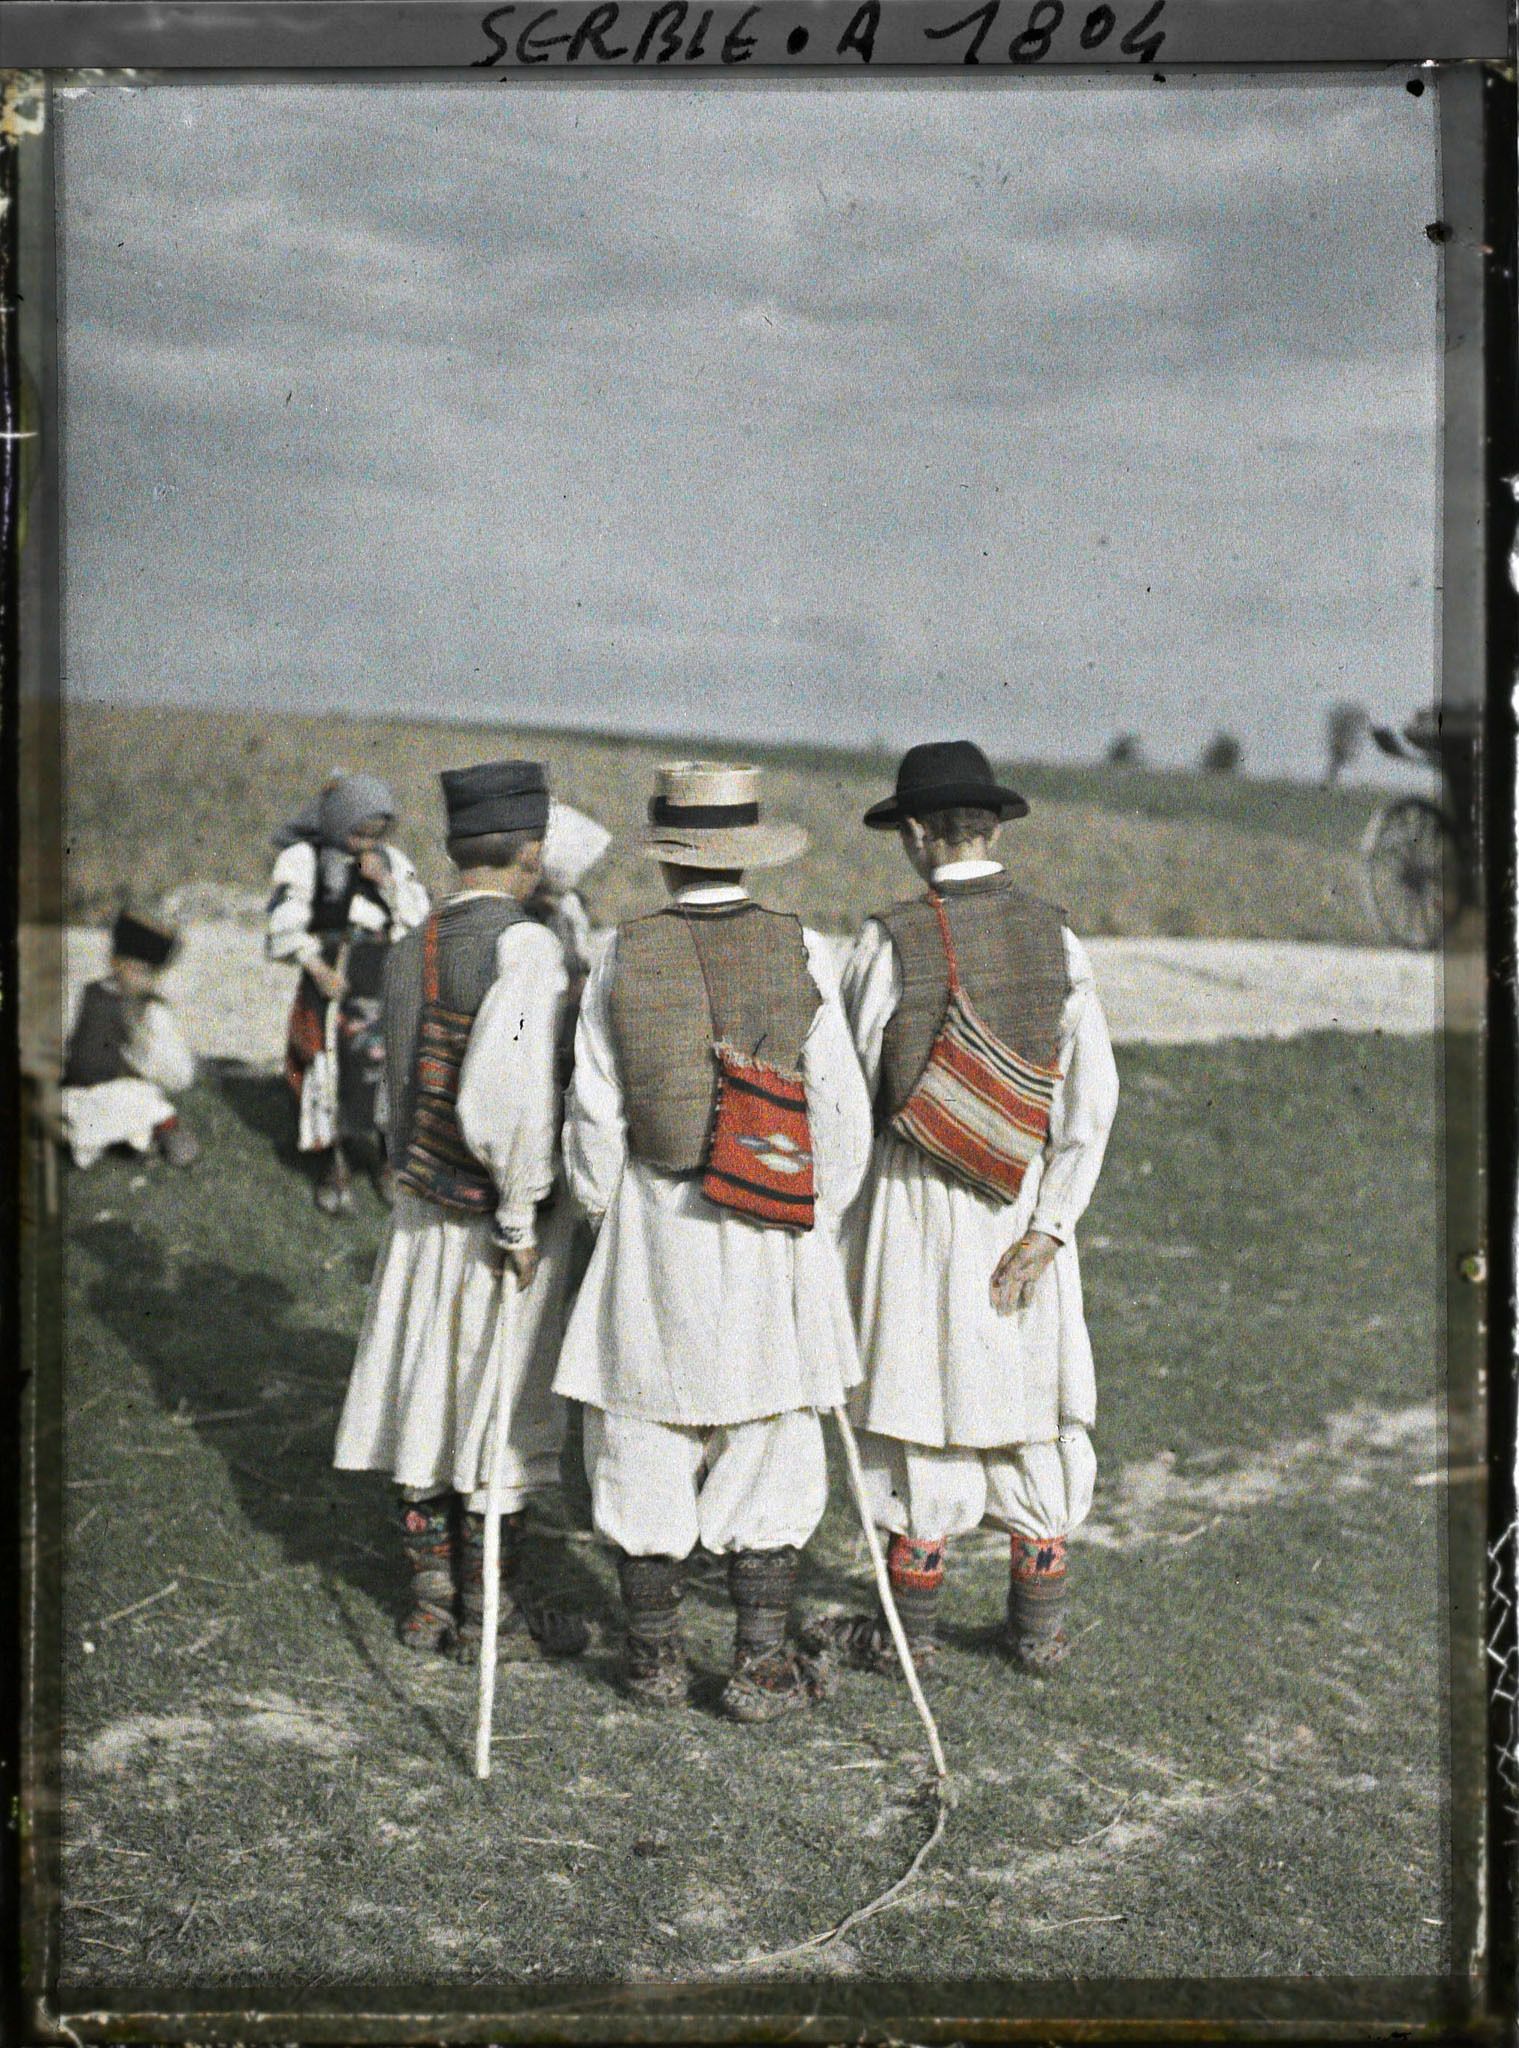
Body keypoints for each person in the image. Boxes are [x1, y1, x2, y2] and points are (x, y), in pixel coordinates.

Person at [554, 762, 874, 1723]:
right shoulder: (801, 949)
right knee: (768, 1424)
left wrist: (608, 1215)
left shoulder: (621, 952)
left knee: (642, 1421)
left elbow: (593, 1110)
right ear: (748, 850)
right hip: (769, 1223)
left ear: (665, 857)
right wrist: (810, 1209)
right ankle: (759, 1663)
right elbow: (839, 1110)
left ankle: (652, 1659)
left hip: (655, 1222)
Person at [807, 741, 1119, 1675]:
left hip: (911, 1204)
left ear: (912, 834)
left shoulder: (885, 940)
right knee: (1028, 1403)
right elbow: (1090, 1100)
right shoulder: (1056, 935)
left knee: (920, 1400)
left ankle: (912, 1636)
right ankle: (1038, 1631)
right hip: (1021, 1199)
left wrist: (829, 1220)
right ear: (988, 827)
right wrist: (1048, 1224)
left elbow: (846, 1096)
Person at [333, 761, 588, 1666]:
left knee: (422, 1391)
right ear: (531, 852)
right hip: (490, 1220)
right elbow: (506, 1100)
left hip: (417, 1208)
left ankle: (430, 1603)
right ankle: (492, 1615)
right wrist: (520, 1216)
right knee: (493, 1400)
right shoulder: (523, 947)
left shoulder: (415, 940)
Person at [266, 771, 429, 1214]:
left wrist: (387, 885)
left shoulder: (391, 860)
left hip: (381, 982)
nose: (363, 844)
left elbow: (418, 917)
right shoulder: (304, 859)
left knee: (384, 1071)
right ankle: (331, 1165)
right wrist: (316, 967)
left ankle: (386, 1161)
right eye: (356, 833)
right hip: (332, 981)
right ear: (337, 822)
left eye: (374, 836)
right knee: (328, 1072)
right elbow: (285, 923)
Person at [60, 909, 199, 1171]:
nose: (141, 980)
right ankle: (122, 1141)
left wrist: (143, 1050)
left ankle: (159, 1136)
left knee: (143, 1101)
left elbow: (178, 1075)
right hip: (78, 1093)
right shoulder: (88, 995)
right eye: (135, 970)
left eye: (149, 974)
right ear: (115, 962)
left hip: (123, 1093)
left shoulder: (152, 1011)